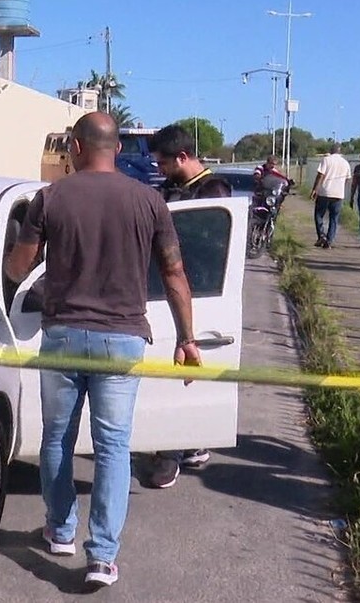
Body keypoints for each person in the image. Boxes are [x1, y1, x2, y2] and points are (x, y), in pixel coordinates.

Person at [5, 112, 201, 590]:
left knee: (57, 439)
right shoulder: (149, 200)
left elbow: (15, 268)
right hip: (122, 339)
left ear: (75, 147)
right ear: (115, 149)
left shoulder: (49, 199)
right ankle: (103, 557)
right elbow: (174, 275)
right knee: (113, 447)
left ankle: (60, 530)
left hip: (64, 336)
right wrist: (187, 338)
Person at [147, 124, 230, 489]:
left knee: (180, 370)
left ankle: (169, 452)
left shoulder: (215, 192)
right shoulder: (169, 190)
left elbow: (206, 245)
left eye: (163, 163)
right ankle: (194, 443)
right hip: (168, 286)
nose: (160, 170)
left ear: (183, 157)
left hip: (200, 290)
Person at [309, 144, 351, 248]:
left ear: (331, 151)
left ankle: (321, 236)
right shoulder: (345, 163)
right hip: (338, 194)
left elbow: (320, 175)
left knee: (319, 215)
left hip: (325, 192)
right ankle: (330, 239)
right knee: (334, 218)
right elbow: (347, 179)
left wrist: (315, 189)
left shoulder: (326, 160)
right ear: (340, 152)